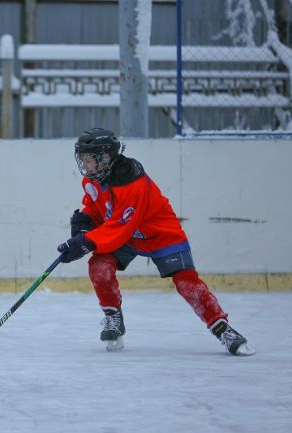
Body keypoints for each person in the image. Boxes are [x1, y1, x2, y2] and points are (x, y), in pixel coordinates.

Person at [56, 128, 255, 356]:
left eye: (89, 160)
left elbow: (120, 227)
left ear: (105, 157)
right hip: (128, 236)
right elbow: (95, 205)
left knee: (187, 283)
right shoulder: (93, 179)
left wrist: (85, 242)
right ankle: (113, 318)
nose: (85, 166)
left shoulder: (132, 183)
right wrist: (85, 221)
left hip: (160, 234)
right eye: (83, 160)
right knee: (99, 266)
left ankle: (223, 329)